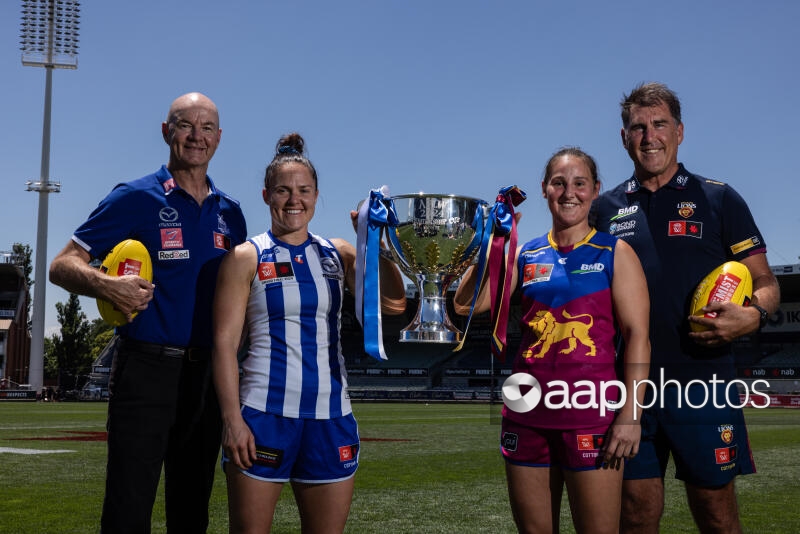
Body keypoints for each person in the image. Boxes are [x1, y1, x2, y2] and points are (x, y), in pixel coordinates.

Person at [49, 92, 247, 533]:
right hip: (145, 369)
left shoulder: (231, 214)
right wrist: (106, 283)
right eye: (185, 125)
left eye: (207, 127)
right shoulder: (135, 197)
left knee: (192, 508)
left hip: (206, 378)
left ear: (219, 139)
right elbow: (61, 265)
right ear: (165, 132)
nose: (197, 136)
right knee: (128, 505)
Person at [590, 82, 781, 533]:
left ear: (679, 131)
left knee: (716, 514)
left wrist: (754, 314)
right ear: (623, 137)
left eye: (660, 124)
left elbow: (766, 281)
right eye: (638, 127)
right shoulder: (604, 209)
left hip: (704, 383)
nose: (649, 136)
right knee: (636, 515)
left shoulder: (719, 198)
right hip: (631, 388)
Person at [211, 132, 406, 533]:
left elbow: (394, 304)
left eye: (303, 190)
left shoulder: (337, 252)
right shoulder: (247, 256)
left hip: (330, 418)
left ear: (317, 195)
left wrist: (373, 242)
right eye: (283, 190)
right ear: (266, 195)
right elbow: (224, 344)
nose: (293, 200)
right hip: (262, 417)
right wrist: (232, 420)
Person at [455, 147, 651, 533]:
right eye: (558, 183)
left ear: (595, 190)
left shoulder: (615, 252)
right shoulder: (526, 254)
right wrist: (494, 245)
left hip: (589, 412)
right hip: (525, 410)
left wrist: (631, 416)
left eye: (579, 184)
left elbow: (639, 338)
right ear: (544, 189)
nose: (568, 193)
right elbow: (467, 305)